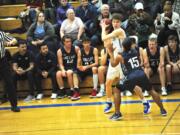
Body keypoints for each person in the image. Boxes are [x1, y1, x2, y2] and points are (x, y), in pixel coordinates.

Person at [106, 37, 167, 120]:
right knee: (151, 90)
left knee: (116, 89)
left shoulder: (120, 56)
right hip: (141, 74)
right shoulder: (135, 51)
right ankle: (163, 110)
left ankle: (117, 113)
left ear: (123, 47)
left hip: (131, 77)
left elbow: (113, 64)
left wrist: (111, 53)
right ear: (131, 46)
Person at [101, 13, 131, 113]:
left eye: (117, 22)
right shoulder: (113, 33)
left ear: (121, 23)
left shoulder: (120, 31)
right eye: (113, 22)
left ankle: (145, 102)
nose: (115, 23)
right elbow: (106, 43)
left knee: (131, 84)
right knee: (108, 83)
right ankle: (109, 102)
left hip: (122, 60)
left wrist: (103, 28)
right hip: (114, 60)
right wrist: (110, 48)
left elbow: (103, 38)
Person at [0, 30, 20, 112]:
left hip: (2, 60)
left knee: (9, 82)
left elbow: (14, 40)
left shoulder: (1, 33)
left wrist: (11, 42)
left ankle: (14, 105)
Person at [56, 35, 80, 100]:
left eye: (70, 41)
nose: (69, 43)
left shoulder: (76, 48)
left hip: (74, 67)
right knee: (58, 73)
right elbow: (60, 64)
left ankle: (72, 90)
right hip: (66, 67)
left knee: (69, 72)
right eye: (67, 42)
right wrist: (63, 70)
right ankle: (62, 90)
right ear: (63, 42)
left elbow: (79, 60)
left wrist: (78, 67)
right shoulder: (60, 51)